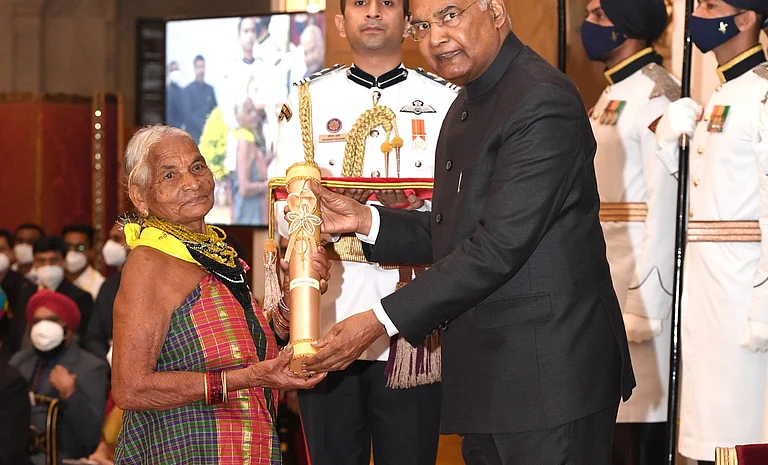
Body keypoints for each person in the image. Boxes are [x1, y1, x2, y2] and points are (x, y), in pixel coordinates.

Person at [300, 0, 637, 462]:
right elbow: (458, 230)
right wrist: (366, 220)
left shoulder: (540, 98)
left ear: (496, 11)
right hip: (491, 378)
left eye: (450, 15)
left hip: (548, 377)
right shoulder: (467, 102)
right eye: (422, 25)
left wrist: (379, 321)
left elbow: (497, 247)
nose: (435, 36)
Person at [275, 0, 458, 462]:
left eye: (387, 3)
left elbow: (456, 216)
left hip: (411, 317)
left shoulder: (447, 100)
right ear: (340, 22)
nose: (373, 11)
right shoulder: (307, 99)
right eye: (359, 2)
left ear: (407, 20)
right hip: (325, 311)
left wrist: (364, 211)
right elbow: (283, 210)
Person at [111, 124, 330, 464]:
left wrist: (297, 297)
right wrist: (252, 377)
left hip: (242, 446)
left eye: (197, 166)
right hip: (183, 450)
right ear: (140, 196)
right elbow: (130, 388)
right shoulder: (150, 261)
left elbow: (250, 347)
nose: (192, 181)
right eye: (170, 175)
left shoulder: (218, 253)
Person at [654, 1, 768, 464]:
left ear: (745, 19)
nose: (699, 13)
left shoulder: (761, 97)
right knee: (709, 428)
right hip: (707, 288)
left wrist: (764, 306)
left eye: (711, 5)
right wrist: (668, 145)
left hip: (744, 290)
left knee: (742, 426)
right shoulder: (722, 95)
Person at [581, 1, 678, 463]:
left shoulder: (656, 92)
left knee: (639, 414)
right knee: (610, 414)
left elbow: (664, 200)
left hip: (640, 269)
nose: (589, 24)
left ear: (629, 28)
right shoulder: (613, 92)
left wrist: (647, 297)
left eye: (600, 15)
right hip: (606, 267)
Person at [10, 290, 109, 464]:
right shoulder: (19, 362)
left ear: (67, 327)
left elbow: (92, 436)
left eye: (52, 320)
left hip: (62, 459)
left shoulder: (91, 367)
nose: (43, 327)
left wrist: (70, 395)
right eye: (37, 321)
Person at [8, 237, 94, 355]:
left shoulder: (80, 297)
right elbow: (15, 336)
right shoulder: (25, 293)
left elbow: (84, 340)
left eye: (53, 260)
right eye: (41, 260)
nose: (47, 265)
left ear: (64, 262)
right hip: (24, 361)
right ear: (34, 263)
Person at [84, 224, 128, 358]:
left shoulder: (159, 281)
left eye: (117, 239)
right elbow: (93, 336)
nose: (109, 245)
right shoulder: (109, 285)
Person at [232, 98, 271, 225]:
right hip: (249, 216)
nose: (254, 114)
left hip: (257, 211)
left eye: (254, 109)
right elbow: (245, 188)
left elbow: (255, 170)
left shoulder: (251, 139)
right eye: (249, 112)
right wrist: (268, 185)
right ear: (239, 119)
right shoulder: (244, 141)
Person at [62, 224, 106, 300]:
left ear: (92, 252)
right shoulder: (52, 280)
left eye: (80, 247)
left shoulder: (100, 285)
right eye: (68, 246)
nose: (72, 252)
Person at [183, 55, 218, 144]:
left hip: (210, 135)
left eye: (202, 67)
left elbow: (215, 111)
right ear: (195, 69)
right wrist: (202, 125)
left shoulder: (210, 89)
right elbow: (188, 114)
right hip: (194, 136)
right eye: (199, 67)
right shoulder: (188, 90)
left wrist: (212, 126)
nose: (201, 70)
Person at [166, 61, 186, 129]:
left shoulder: (182, 91)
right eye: (173, 70)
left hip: (181, 129)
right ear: (169, 73)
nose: (175, 72)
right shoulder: (167, 91)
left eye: (176, 69)